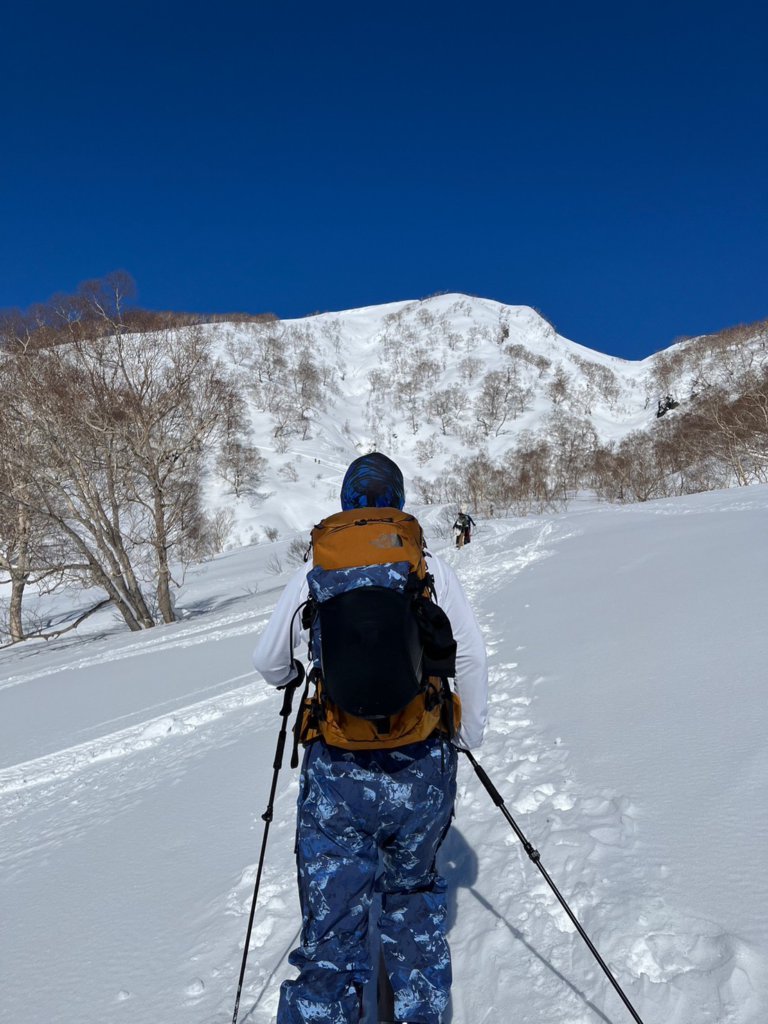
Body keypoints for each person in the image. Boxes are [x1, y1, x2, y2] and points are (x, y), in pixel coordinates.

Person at [253, 452, 488, 1024]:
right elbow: (471, 658)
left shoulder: (320, 570)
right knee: (411, 903)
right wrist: (467, 735)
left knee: (331, 933)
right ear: (399, 503)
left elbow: (267, 661)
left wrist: (295, 676)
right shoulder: (427, 568)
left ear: (346, 503)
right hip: (420, 765)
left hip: (338, 769)